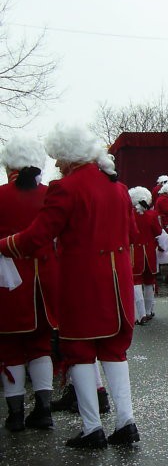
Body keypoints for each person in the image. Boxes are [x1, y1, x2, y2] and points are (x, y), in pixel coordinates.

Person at [0, 126, 140, 448]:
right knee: (114, 351)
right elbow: (130, 234)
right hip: (118, 284)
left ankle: (92, 429)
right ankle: (126, 422)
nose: (58, 165)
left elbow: (37, 236)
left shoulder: (67, 188)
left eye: (59, 158)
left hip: (83, 285)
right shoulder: (118, 187)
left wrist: (5, 244)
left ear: (69, 155)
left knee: (79, 352)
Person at [0, 137, 58, 433]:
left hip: (9, 286)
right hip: (46, 281)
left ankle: (15, 415)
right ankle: (45, 410)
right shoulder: (50, 195)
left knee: (9, 347)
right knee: (40, 345)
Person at [128, 187, 168, 324]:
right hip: (150, 252)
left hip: (134, 253)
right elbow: (158, 232)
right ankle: (149, 310)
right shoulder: (151, 215)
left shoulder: (128, 214)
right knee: (149, 281)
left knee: (136, 282)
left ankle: (141, 314)